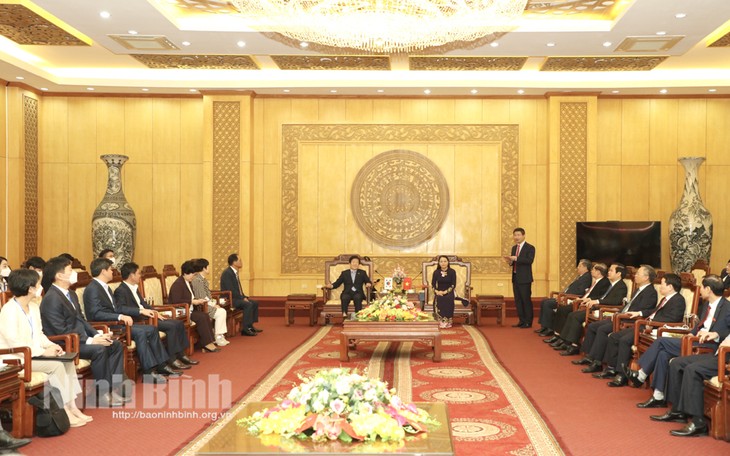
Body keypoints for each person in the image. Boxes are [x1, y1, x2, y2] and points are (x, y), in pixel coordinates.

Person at [0, 269, 92, 427]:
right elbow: (15, 343)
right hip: (18, 359)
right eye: (37, 284)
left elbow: (40, 334)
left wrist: (52, 345)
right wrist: (43, 352)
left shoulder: (34, 307)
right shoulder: (9, 310)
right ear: (30, 288)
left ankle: (72, 407)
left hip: (34, 355)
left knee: (67, 360)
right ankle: (63, 412)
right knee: (56, 366)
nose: (40, 286)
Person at [628, 274, 730, 406]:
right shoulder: (706, 305)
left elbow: (728, 332)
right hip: (695, 340)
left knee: (661, 342)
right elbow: (699, 326)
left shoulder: (727, 307)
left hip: (709, 345)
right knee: (664, 354)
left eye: (703, 287)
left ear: (708, 289)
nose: (701, 291)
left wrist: (715, 334)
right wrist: (688, 335)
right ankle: (658, 396)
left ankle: (641, 374)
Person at [40, 256, 127, 407]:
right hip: (64, 343)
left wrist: (97, 335)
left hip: (79, 339)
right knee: (99, 350)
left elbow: (81, 320)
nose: (74, 273)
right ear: (59, 275)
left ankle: (110, 389)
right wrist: (90, 341)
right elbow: (60, 330)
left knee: (115, 345)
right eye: (70, 270)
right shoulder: (52, 298)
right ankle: (102, 393)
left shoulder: (70, 294)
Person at [84, 258, 180, 383]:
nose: (113, 272)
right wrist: (119, 317)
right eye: (110, 269)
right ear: (103, 271)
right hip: (107, 326)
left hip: (117, 322)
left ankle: (161, 364)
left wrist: (122, 315)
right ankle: (149, 372)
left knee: (151, 329)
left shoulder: (105, 287)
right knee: (141, 332)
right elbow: (95, 314)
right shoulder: (93, 288)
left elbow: (116, 307)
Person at [601, 273, 685, 386]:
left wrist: (651, 323)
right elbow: (653, 312)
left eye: (662, 284)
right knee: (614, 336)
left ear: (670, 287)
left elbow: (673, 319)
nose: (660, 286)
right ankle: (611, 368)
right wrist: (639, 313)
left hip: (654, 328)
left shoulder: (678, 300)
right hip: (646, 324)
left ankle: (622, 375)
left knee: (624, 340)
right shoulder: (665, 299)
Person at [574, 264, 658, 373]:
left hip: (629, 320)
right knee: (593, 326)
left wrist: (625, 314)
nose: (635, 276)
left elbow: (645, 311)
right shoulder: (639, 289)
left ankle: (598, 362)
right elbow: (628, 305)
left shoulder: (650, 292)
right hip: (621, 316)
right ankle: (590, 356)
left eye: (638, 274)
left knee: (602, 329)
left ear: (646, 278)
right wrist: (618, 312)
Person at [114, 262, 198, 369]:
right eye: (138, 273)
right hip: (139, 320)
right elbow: (121, 308)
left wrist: (155, 311)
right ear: (132, 275)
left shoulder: (134, 287)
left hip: (148, 317)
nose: (140, 276)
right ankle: (172, 359)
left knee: (178, 323)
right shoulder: (120, 290)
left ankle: (181, 354)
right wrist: (140, 311)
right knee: (171, 326)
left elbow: (144, 304)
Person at [651, 333, 730, 437]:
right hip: (718, 354)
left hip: (726, 357)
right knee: (676, 363)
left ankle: (698, 423)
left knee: (692, 370)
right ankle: (677, 411)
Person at [553, 263, 628, 356]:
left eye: (611, 270)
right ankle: (566, 341)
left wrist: (597, 301)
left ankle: (574, 345)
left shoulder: (621, 286)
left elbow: (615, 301)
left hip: (604, 310)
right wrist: (591, 299)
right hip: (596, 307)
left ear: (619, 274)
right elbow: (602, 296)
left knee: (575, 316)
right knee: (573, 314)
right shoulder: (612, 284)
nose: (608, 272)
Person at [544, 263, 609, 347]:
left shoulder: (605, 282)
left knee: (568, 312)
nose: (591, 271)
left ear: (598, 272)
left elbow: (600, 296)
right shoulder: (596, 281)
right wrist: (582, 298)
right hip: (582, 302)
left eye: (593, 269)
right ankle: (558, 335)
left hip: (589, 305)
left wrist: (586, 299)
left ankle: (567, 341)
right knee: (562, 309)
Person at [168, 260, 219, 353]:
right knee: (201, 317)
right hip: (182, 312)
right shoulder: (178, 284)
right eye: (193, 274)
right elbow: (176, 301)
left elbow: (190, 296)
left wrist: (198, 300)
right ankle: (207, 344)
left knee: (205, 315)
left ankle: (209, 341)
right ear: (185, 273)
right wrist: (192, 301)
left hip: (190, 309)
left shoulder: (188, 282)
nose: (194, 276)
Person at [536, 259, 592, 336]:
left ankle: (549, 328)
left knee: (548, 304)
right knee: (544, 301)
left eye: (579, 266)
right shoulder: (580, 276)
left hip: (569, 299)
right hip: (565, 296)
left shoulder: (587, 277)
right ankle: (544, 326)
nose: (577, 267)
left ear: (585, 268)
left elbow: (580, 292)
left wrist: (564, 296)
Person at [191, 258, 230, 346]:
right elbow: (201, 297)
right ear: (204, 268)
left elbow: (207, 295)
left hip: (206, 304)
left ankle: (219, 335)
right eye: (208, 266)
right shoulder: (197, 280)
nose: (209, 268)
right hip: (201, 306)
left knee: (221, 310)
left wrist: (214, 303)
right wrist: (213, 305)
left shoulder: (202, 279)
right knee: (221, 312)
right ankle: (218, 336)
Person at [220, 253, 260, 336]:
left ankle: (250, 325)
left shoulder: (234, 272)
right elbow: (230, 290)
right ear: (234, 262)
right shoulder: (227, 273)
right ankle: (245, 329)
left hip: (236, 297)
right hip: (230, 299)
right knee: (248, 304)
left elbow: (238, 289)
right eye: (240, 260)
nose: (241, 262)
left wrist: (244, 296)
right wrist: (242, 298)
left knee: (254, 303)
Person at [503, 228, 535, 328]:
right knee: (518, 300)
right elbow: (514, 262)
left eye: (518, 235)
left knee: (526, 300)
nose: (516, 237)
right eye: (515, 235)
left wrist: (516, 258)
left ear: (523, 235)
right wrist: (510, 261)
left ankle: (528, 322)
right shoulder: (514, 248)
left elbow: (529, 260)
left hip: (525, 278)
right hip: (515, 277)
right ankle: (521, 320)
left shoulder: (530, 247)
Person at [430, 255, 457, 329]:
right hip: (439, 291)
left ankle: (448, 321)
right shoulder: (436, 272)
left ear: (448, 262)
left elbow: (453, 285)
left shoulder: (452, 272)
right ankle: (440, 321)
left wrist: (445, 292)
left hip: (449, 291)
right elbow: (432, 285)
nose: (443, 263)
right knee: (439, 298)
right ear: (439, 263)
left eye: (445, 261)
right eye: (441, 261)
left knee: (448, 299)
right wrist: (437, 291)